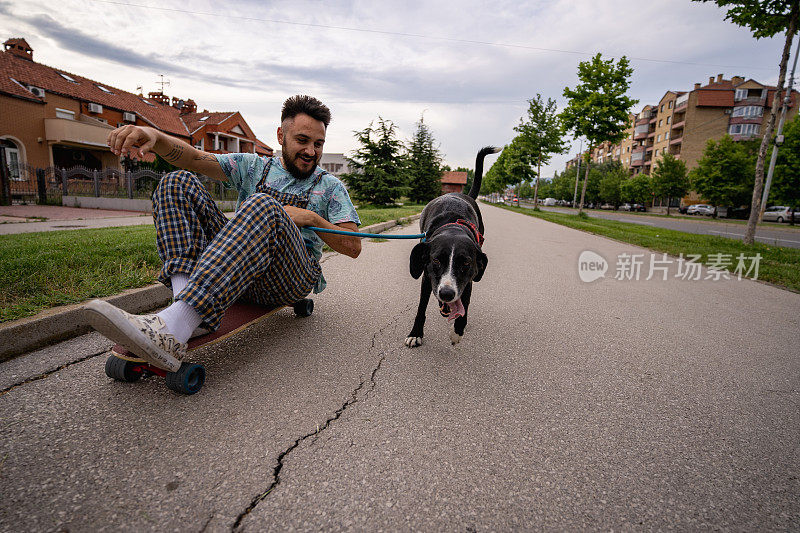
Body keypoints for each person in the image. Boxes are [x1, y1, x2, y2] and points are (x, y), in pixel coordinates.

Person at [85, 95, 361, 370]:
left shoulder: (331, 186)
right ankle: (182, 317)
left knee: (263, 204)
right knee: (176, 181)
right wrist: (155, 136)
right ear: (281, 135)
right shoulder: (254, 167)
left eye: (318, 144)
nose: (311, 151)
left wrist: (310, 217)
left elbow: (353, 247)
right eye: (302, 140)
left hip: (289, 279)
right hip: (237, 270)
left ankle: (177, 323)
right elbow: (193, 158)